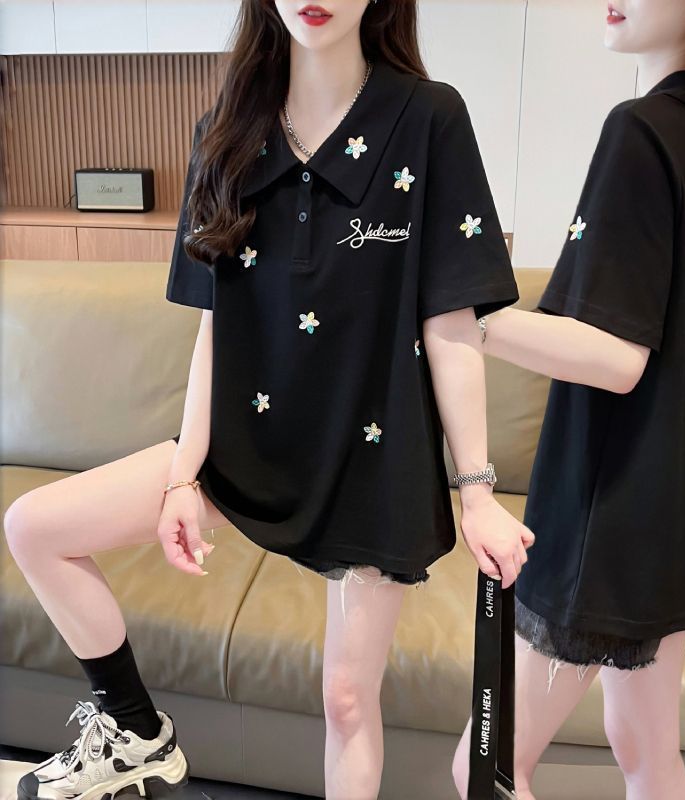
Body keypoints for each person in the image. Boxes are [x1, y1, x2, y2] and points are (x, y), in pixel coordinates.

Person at [4, 2, 534, 798]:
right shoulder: (225, 131)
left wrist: (478, 491)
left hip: (373, 461)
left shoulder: (429, 119)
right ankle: (134, 729)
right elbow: (216, 326)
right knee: (34, 527)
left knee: (347, 698)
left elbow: (451, 319)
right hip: (243, 449)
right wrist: (183, 476)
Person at [450, 1, 685, 799]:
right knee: (643, 748)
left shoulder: (641, 131)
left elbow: (616, 358)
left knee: (487, 769)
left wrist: (471, 320)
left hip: (609, 517)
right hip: (672, 516)